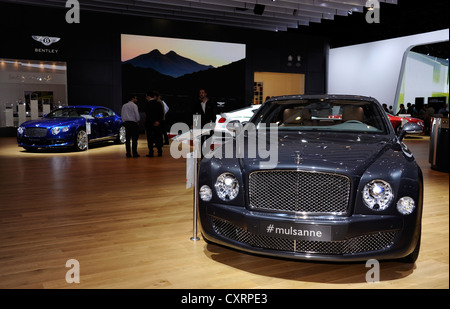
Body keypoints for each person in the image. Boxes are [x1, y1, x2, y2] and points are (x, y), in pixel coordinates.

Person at [144, 90, 164, 157]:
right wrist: (158, 121)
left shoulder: (147, 104)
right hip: (158, 124)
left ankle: (151, 152)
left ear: (149, 97)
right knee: (158, 137)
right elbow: (161, 113)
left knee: (150, 138)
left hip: (150, 124)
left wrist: (153, 121)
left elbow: (148, 114)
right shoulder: (158, 103)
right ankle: (159, 152)